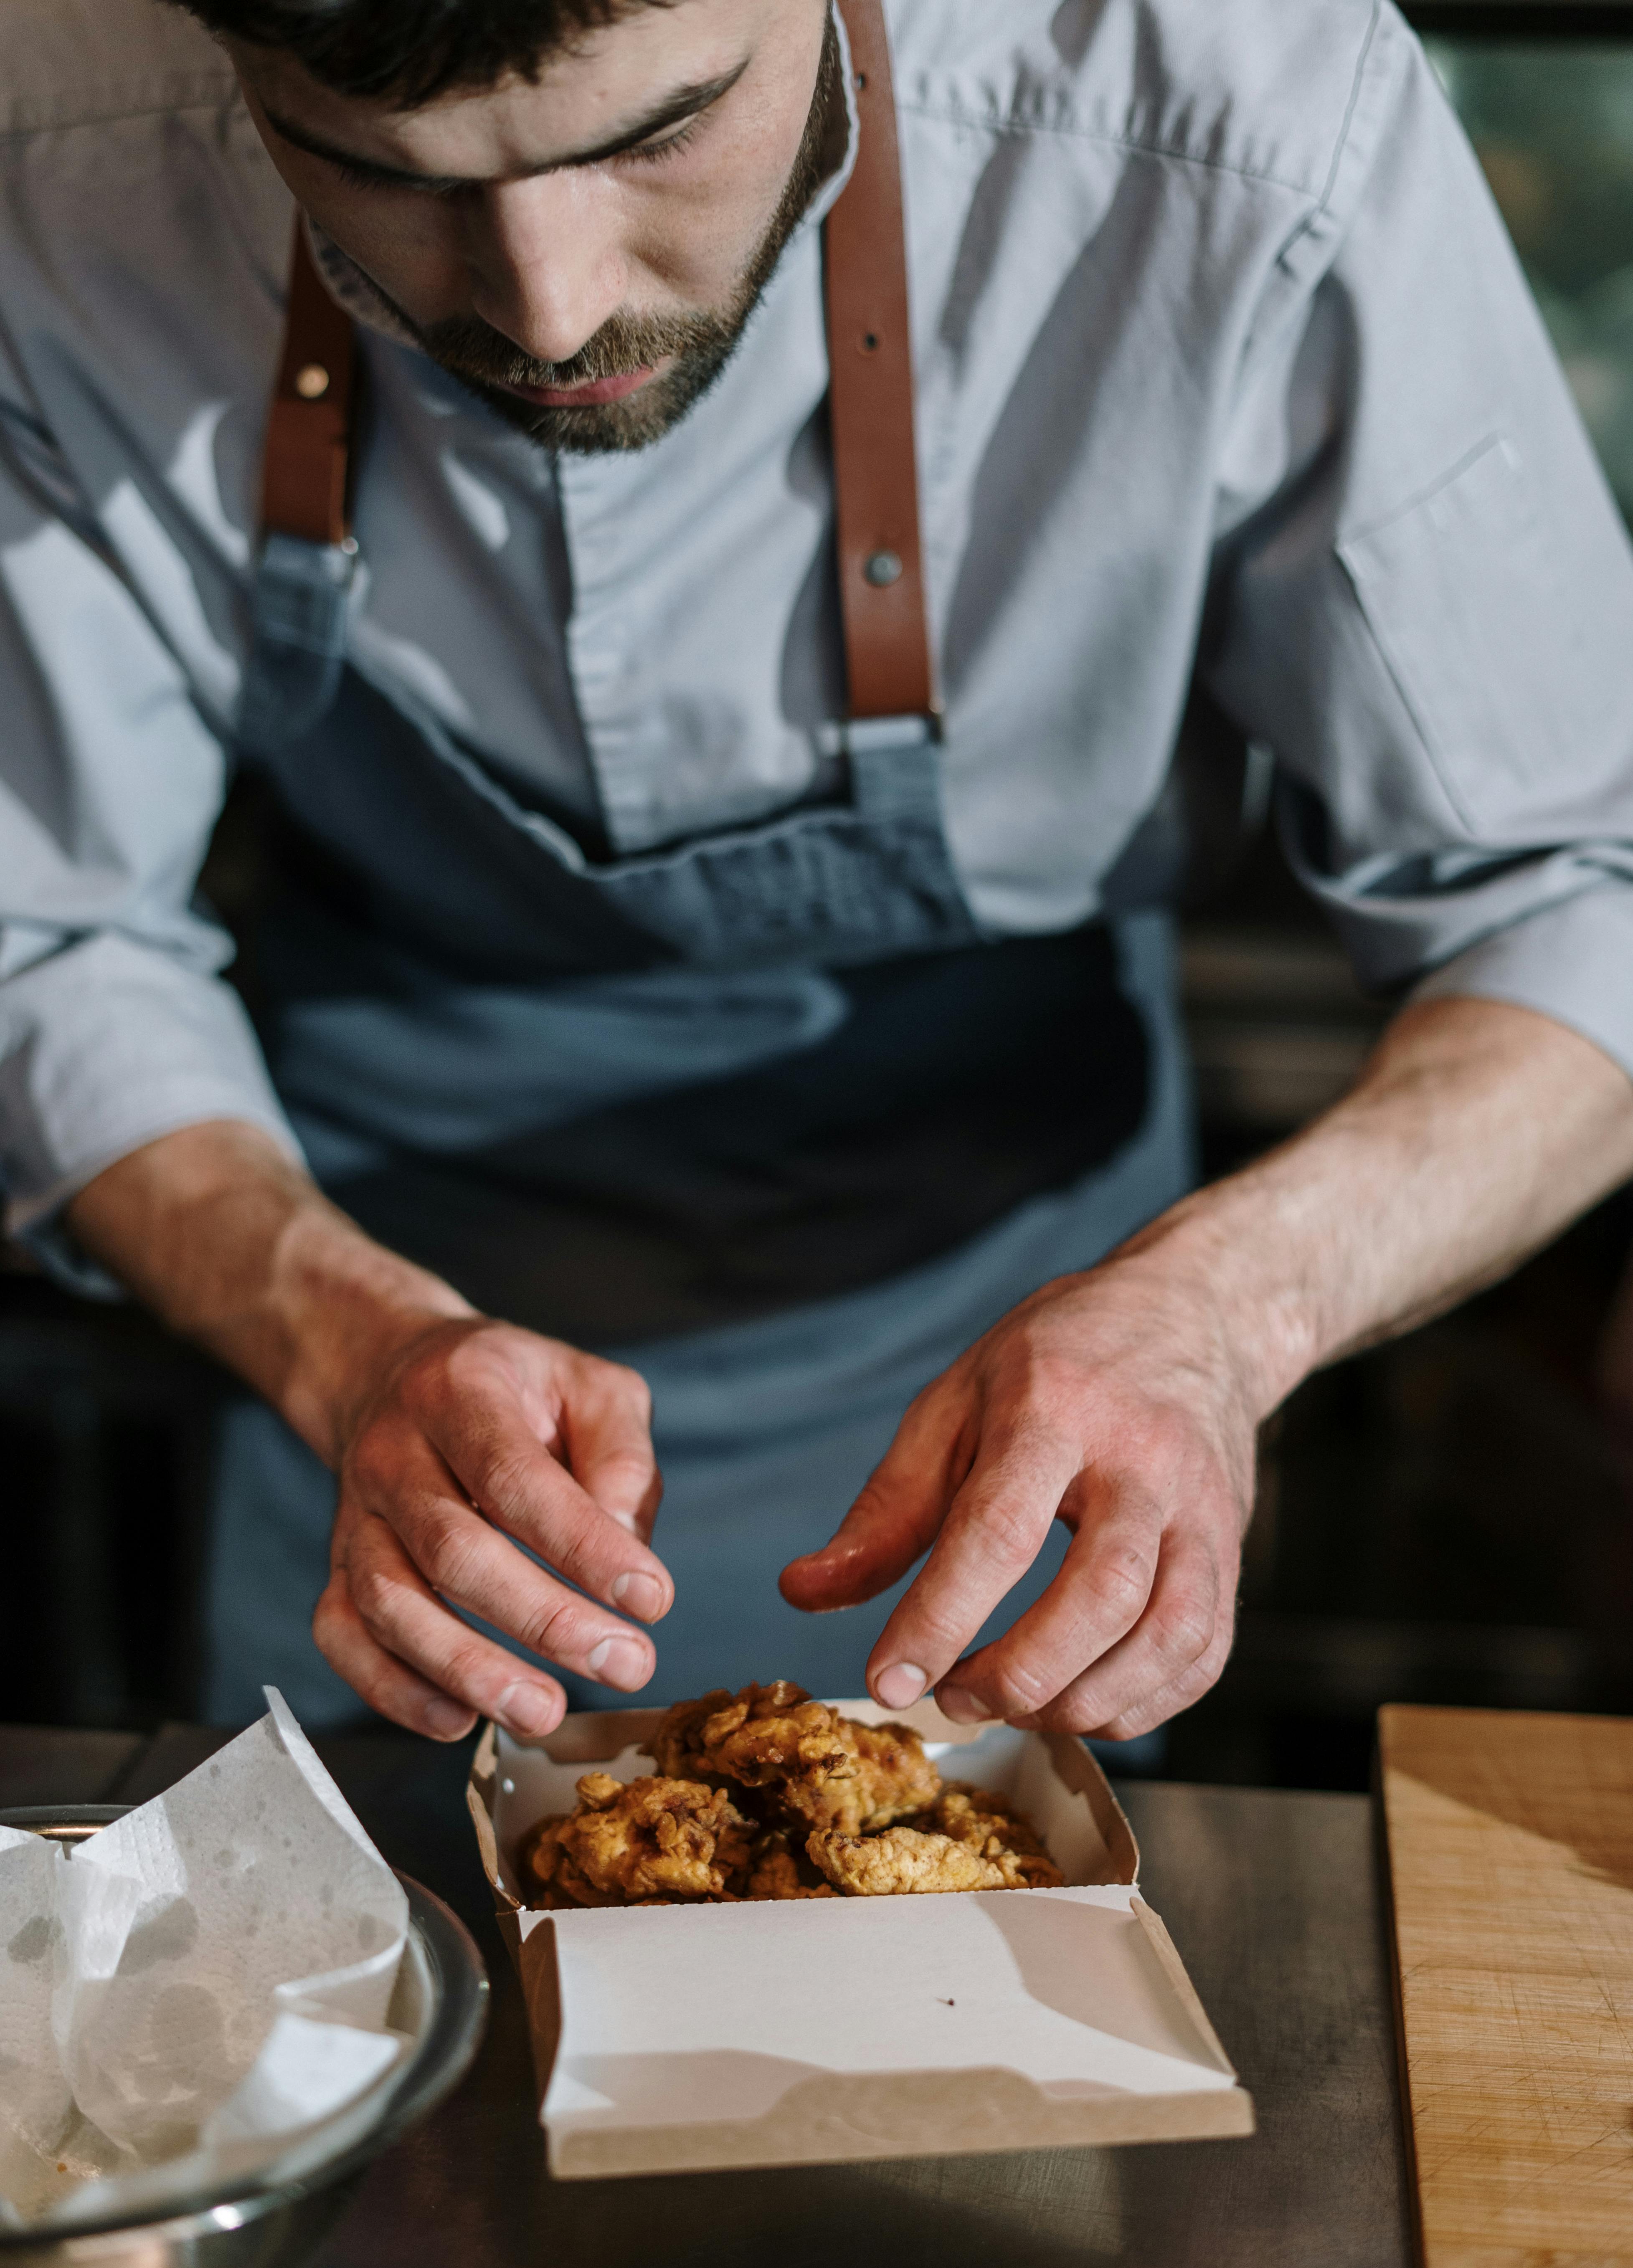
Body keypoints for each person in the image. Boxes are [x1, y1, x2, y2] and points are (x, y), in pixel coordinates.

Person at [4, 0, 1633, 1749]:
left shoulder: (1240, 115)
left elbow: (1580, 898)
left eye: (661, 133)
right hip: (362, 1350)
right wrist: (343, 1340)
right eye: (376, 175)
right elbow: (46, 934)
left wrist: (1224, 1314)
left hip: (1024, 1367)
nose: (553, 310)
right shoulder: (56, 133)